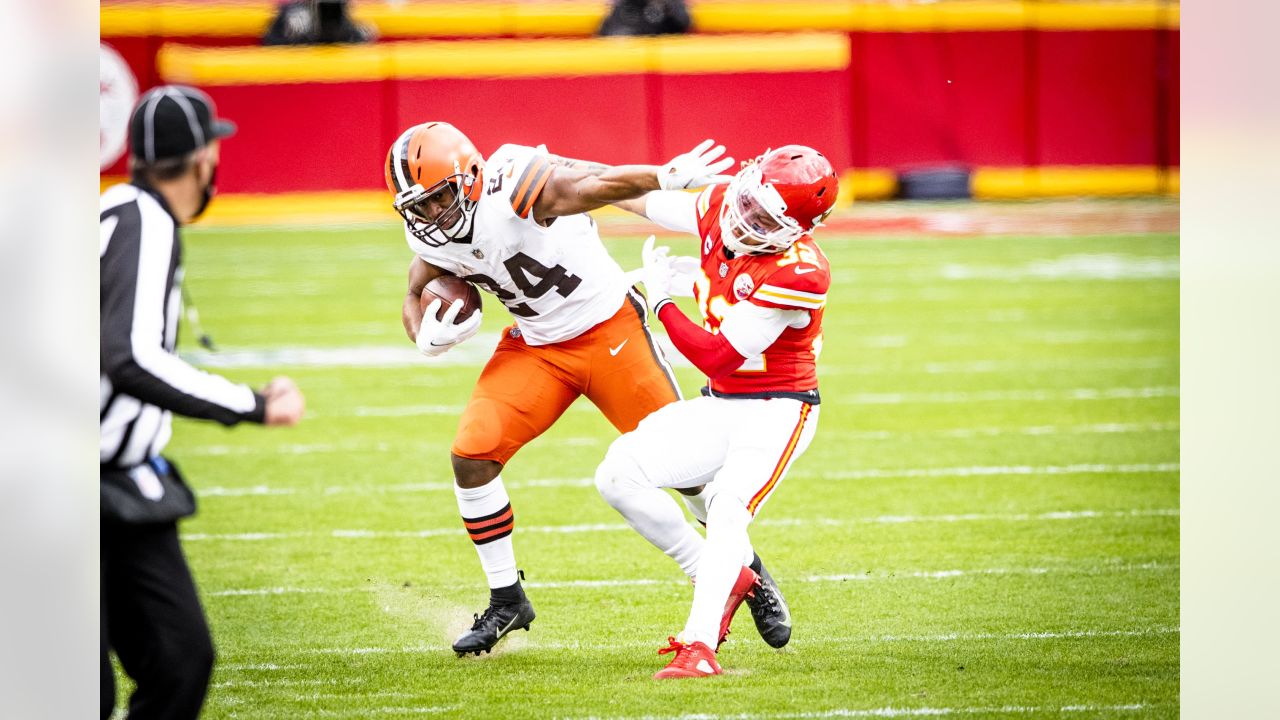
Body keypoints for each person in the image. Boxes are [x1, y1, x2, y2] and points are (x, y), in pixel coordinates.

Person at [385, 124, 792, 657]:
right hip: (537, 347)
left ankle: (750, 575)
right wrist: (425, 336)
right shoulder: (432, 232)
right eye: (420, 205)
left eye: (439, 197)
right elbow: (415, 289)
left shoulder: (513, 186)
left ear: (471, 176)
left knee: (690, 473)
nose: (432, 214)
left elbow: (591, 188)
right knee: (472, 454)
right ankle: (507, 597)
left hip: (609, 332)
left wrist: (663, 177)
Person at [100, 85, 307, 719]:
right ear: (201, 160)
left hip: (122, 489)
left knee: (180, 659)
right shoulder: (143, 222)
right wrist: (248, 404)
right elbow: (128, 355)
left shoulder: (120, 211)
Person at [594, 145, 839, 678]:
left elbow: (720, 358)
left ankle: (699, 647)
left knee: (728, 509)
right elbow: (636, 198)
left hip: (777, 409)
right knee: (617, 474)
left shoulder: (800, 271)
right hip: (722, 405)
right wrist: (564, 175)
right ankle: (724, 574)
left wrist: (661, 301)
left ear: (796, 230)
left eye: (762, 218)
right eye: (747, 201)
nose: (743, 218)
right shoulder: (724, 201)